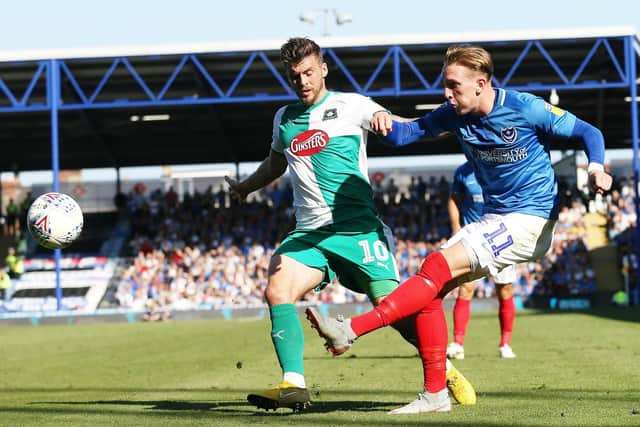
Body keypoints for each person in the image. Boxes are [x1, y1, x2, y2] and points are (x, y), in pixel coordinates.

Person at [306, 44, 612, 414]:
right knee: (429, 291)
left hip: (530, 218)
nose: (446, 94)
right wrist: (374, 117)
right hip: (494, 219)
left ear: (481, 84)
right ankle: (435, 395)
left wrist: (596, 168)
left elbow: (589, 131)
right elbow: (406, 134)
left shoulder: (525, 107)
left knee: (435, 266)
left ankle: (350, 329)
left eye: (454, 85)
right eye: (445, 85)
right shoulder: (454, 114)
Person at [224, 37, 475, 412]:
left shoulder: (352, 105)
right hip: (310, 234)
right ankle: (293, 383)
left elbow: (404, 126)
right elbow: (275, 164)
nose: (303, 81)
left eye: (309, 73)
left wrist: (433, 120)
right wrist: (245, 187)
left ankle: (445, 369)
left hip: (357, 229)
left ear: (323, 69)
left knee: (394, 308)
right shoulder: (284, 119)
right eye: (295, 76)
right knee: (278, 289)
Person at [446, 161, 518, 360]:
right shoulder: (463, 172)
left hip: (500, 236)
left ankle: (505, 344)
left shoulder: (501, 167)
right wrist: (456, 226)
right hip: (472, 236)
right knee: (466, 287)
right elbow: (453, 199)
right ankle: (458, 344)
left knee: (504, 289)